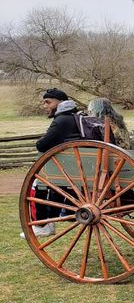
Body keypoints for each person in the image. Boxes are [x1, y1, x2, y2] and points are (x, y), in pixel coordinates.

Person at [21, 89, 82, 239]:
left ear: (60, 103)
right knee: (54, 184)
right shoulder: (76, 117)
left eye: (48, 102)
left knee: (37, 184)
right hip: (77, 167)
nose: (45, 106)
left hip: (66, 168)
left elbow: (41, 145)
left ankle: (42, 225)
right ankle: (54, 218)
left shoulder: (62, 120)